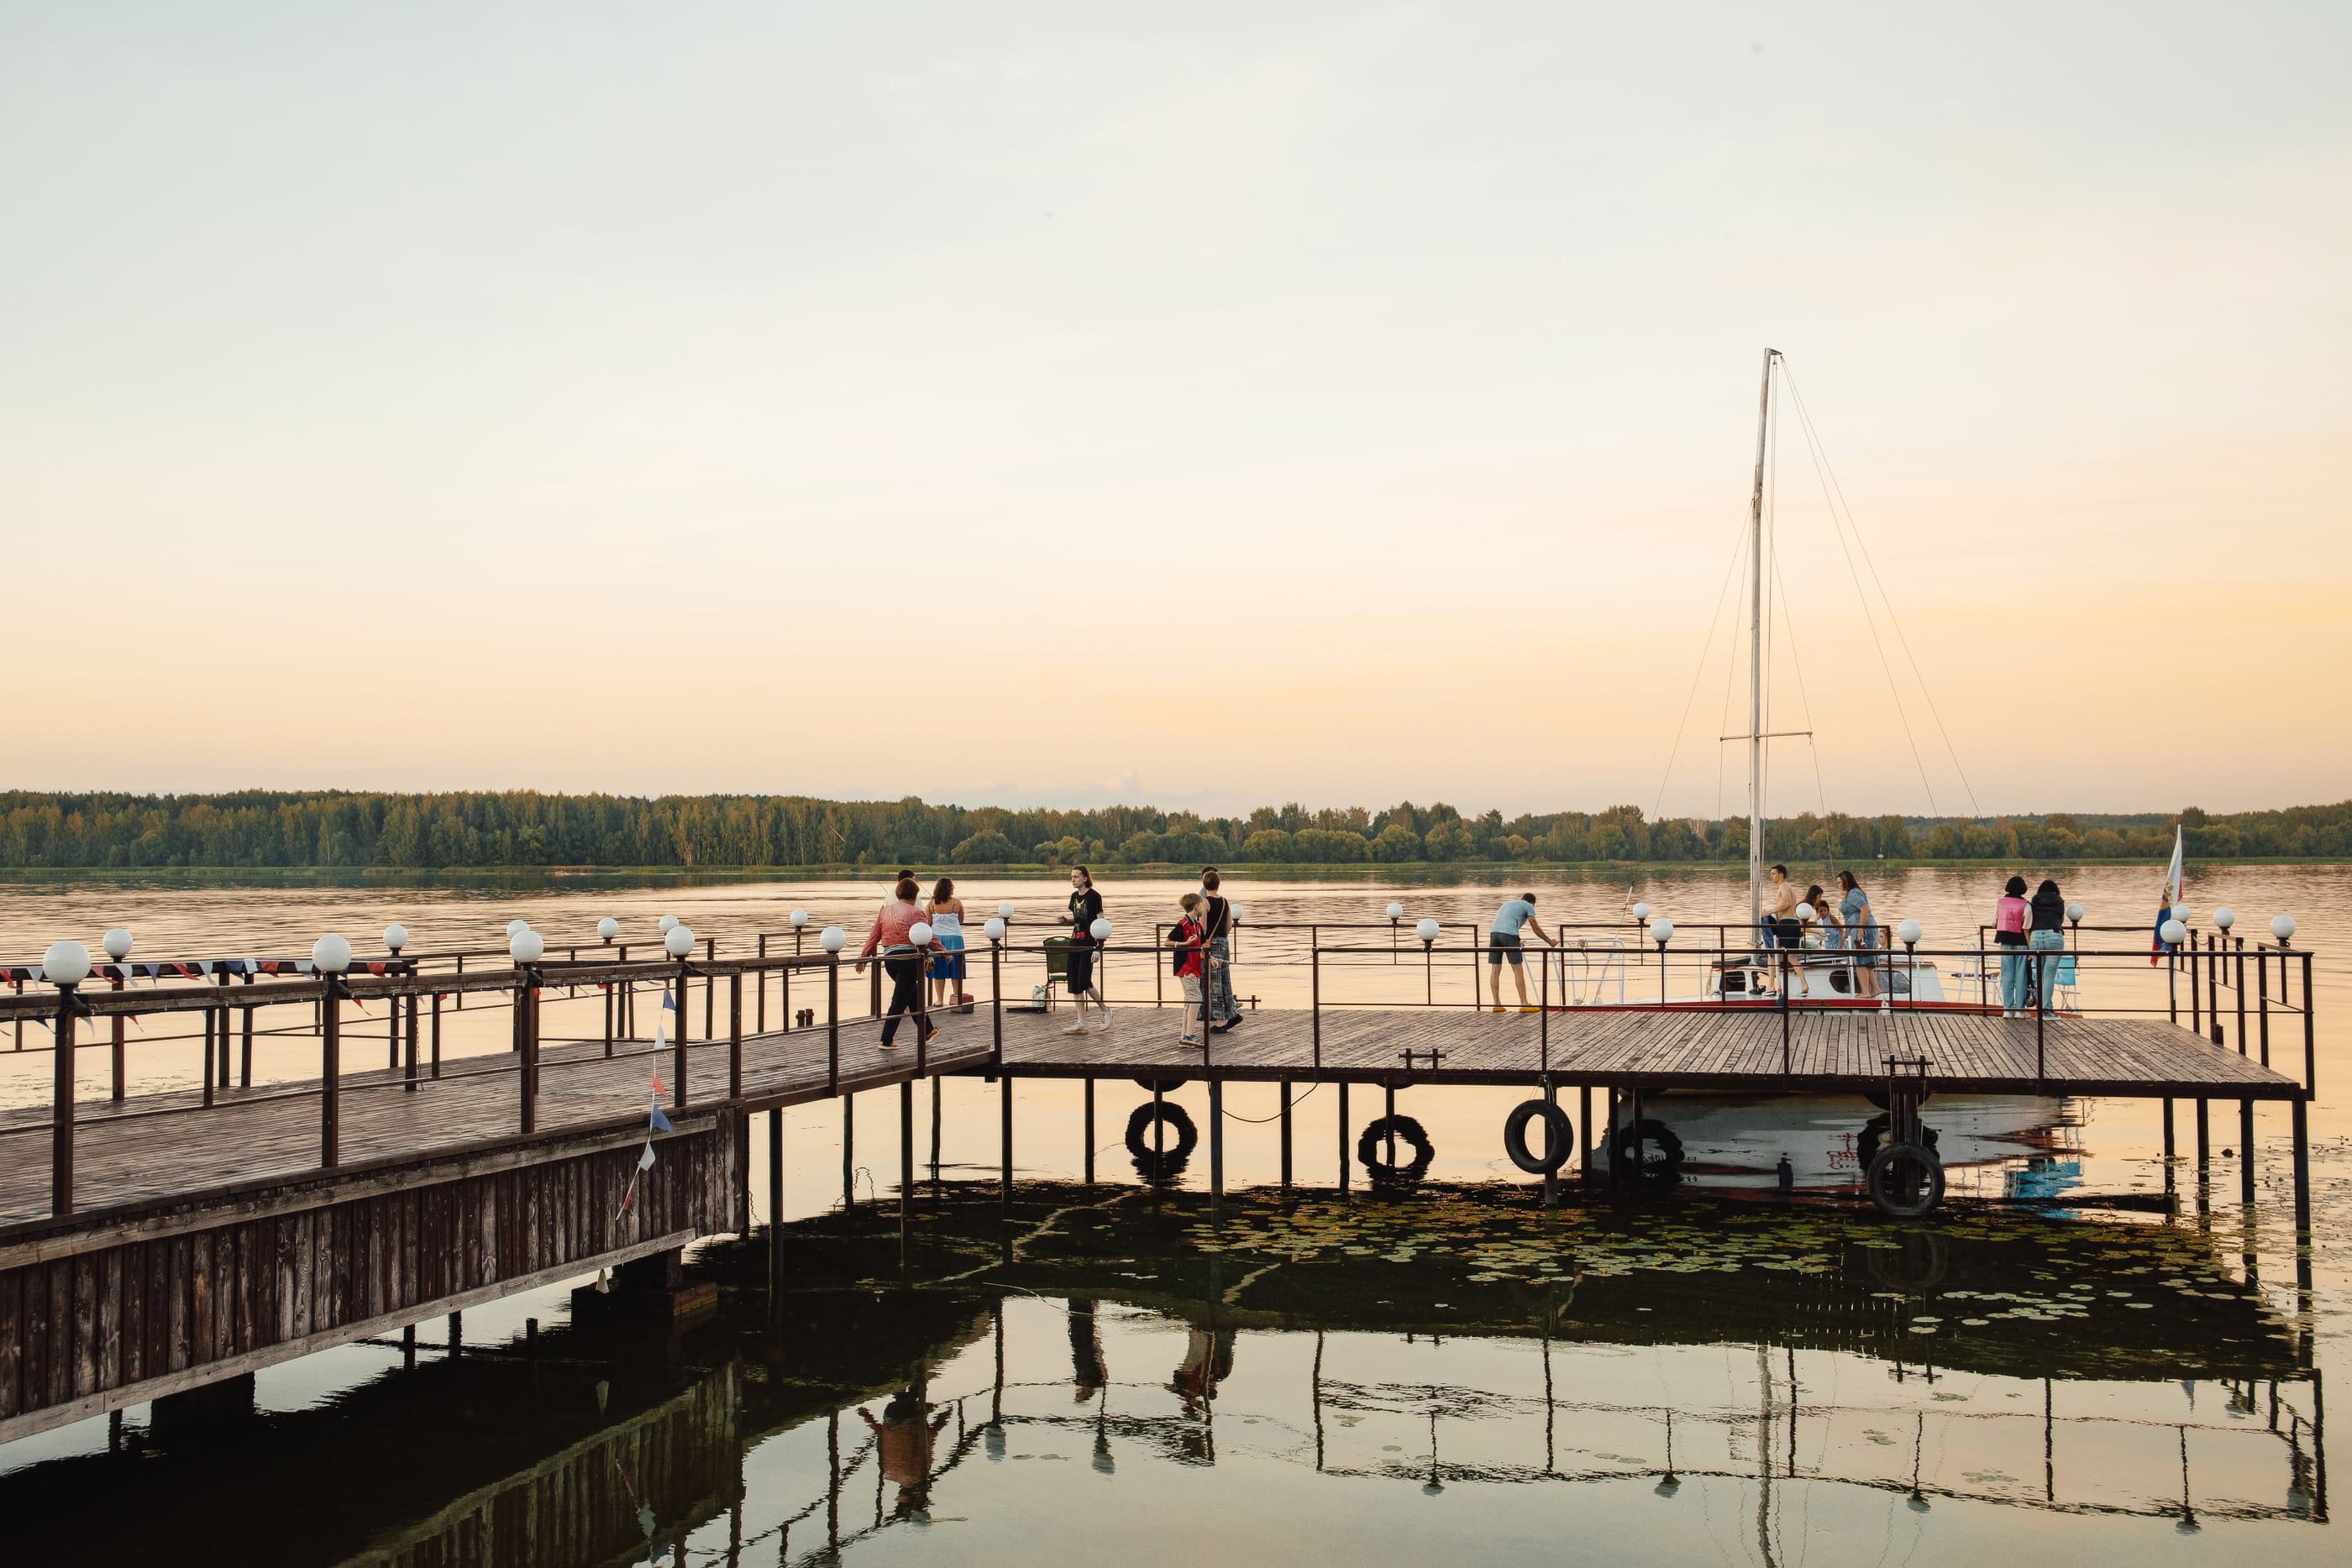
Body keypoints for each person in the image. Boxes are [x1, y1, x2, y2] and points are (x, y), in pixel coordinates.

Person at [856, 876, 941, 1050]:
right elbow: (928, 936)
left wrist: (864, 957)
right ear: (914, 896)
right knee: (899, 1001)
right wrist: (944, 952)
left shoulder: (885, 911)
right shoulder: (916, 913)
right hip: (908, 961)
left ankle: (927, 1030)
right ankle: (886, 1040)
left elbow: (874, 936)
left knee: (911, 995)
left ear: (897, 893)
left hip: (890, 961)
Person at [859, 1388, 951, 1521]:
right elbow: (881, 1436)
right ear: (901, 1492)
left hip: (909, 1417)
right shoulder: (889, 1473)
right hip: (889, 1415)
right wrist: (867, 1417)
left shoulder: (920, 1474)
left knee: (918, 1394)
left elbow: (928, 1439)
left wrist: (943, 1418)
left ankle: (909, 1392)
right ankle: (902, 1393)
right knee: (908, 1399)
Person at [1487, 892, 1554, 1012]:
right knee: (1518, 969)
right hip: (1509, 935)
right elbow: (1535, 927)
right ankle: (1524, 1003)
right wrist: (1550, 941)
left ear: (1522, 898)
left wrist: (1517, 941)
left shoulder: (1507, 904)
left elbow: (1506, 923)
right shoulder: (1528, 906)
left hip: (1494, 934)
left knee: (1495, 969)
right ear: (1533, 904)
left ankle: (1497, 1004)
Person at [1062, 865, 1108, 1035]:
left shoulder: (1094, 897)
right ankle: (1082, 1023)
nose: (1073, 880)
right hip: (1075, 943)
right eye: (1072, 877)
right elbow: (1078, 920)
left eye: (1076, 877)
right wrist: (1066, 921)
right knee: (1075, 983)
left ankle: (1105, 1010)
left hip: (1088, 944)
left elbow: (1101, 923)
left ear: (1085, 878)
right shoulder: (1074, 897)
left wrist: (1098, 948)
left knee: (1084, 981)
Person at [1198, 868, 1242, 1034]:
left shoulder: (1204, 902)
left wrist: (1202, 944)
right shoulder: (1225, 901)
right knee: (1224, 979)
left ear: (1204, 884)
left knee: (1213, 982)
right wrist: (1222, 938)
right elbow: (1229, 925)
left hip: (1210, 945)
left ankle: (1220, 1022)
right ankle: (1231, 1014)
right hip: (1224, 943)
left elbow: (1203, 927)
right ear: (1219, 884)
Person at [1165, 892, 1208, 1045]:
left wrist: (1210, 958)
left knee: (1190, 1000)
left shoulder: (1197, 926)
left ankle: (1184, 1036)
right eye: (1202, 904)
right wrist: (1185, 944)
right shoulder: (1183, 924)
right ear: (1196, 906)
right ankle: (1188, 1035)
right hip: (1186, 968)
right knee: (1195, 998)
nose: (1204, 907)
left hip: (1195, 968)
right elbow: (1167, 942)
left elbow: (1200, 948)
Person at [1836, 870, 1881, 999]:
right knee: (1866, 960)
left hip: (1862, 928)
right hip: (1855, 928)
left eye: (1840, 882)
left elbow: (1864, 909)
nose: (1838, 885)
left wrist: (1860, 929)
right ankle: (1875, 989)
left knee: (1860, 960)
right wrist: (1846, 932)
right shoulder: (1850, 894)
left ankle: (1865, 992)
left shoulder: (1853, 893)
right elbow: (1849, 915)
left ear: (1846, 881)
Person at [925, 877, 966, 1010]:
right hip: (955, 938)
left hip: (937, 939)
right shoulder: (957, 903)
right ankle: (957, 997)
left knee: (938, 969)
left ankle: (940, 1000)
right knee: (956, 968)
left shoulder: (931, 904)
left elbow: (928, 922)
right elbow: (961, 920)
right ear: (950, 889)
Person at [1994, 874, 2030, 1017]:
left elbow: (1994, 923)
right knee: (2021, 976)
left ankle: (2007, 1010)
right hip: (2021, 942)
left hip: (2005, 941)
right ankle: (2020, 1011)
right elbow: (2027, 927)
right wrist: (2030, 948)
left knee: (2007, 975)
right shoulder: (2026, 905)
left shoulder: (2000, 902)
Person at [2029, 877, 2067, 1012]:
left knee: (2040, 974)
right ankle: (2046, 1008)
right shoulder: (2059, 901)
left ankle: (2040, 1008)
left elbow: (2031, 918)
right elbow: (2061, 920)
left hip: (2035, 936)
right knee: (2049, 974)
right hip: (2054, 935)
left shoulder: (2034, 900)